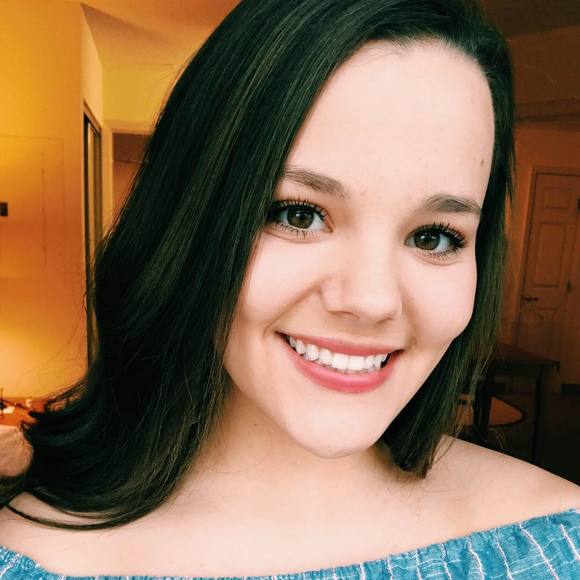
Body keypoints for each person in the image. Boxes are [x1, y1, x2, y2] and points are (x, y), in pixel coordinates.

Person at [0, 0, 578, 577]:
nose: (371, 300)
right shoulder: (29, 555)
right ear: (186, 223)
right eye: (298, 214)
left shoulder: (560, 544)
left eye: (434, 236)